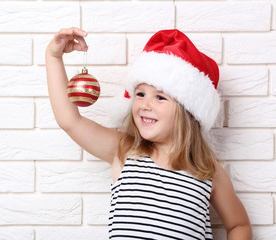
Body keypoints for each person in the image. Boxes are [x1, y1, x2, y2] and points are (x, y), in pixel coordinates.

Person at [45, 27, 252, 240]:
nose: (145, 104)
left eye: (160, 97)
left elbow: (239, 225)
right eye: (140, 94)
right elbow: (70, 121)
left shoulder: (209, 172)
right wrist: (54, 56)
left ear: (187, 110)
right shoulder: (124, 151)